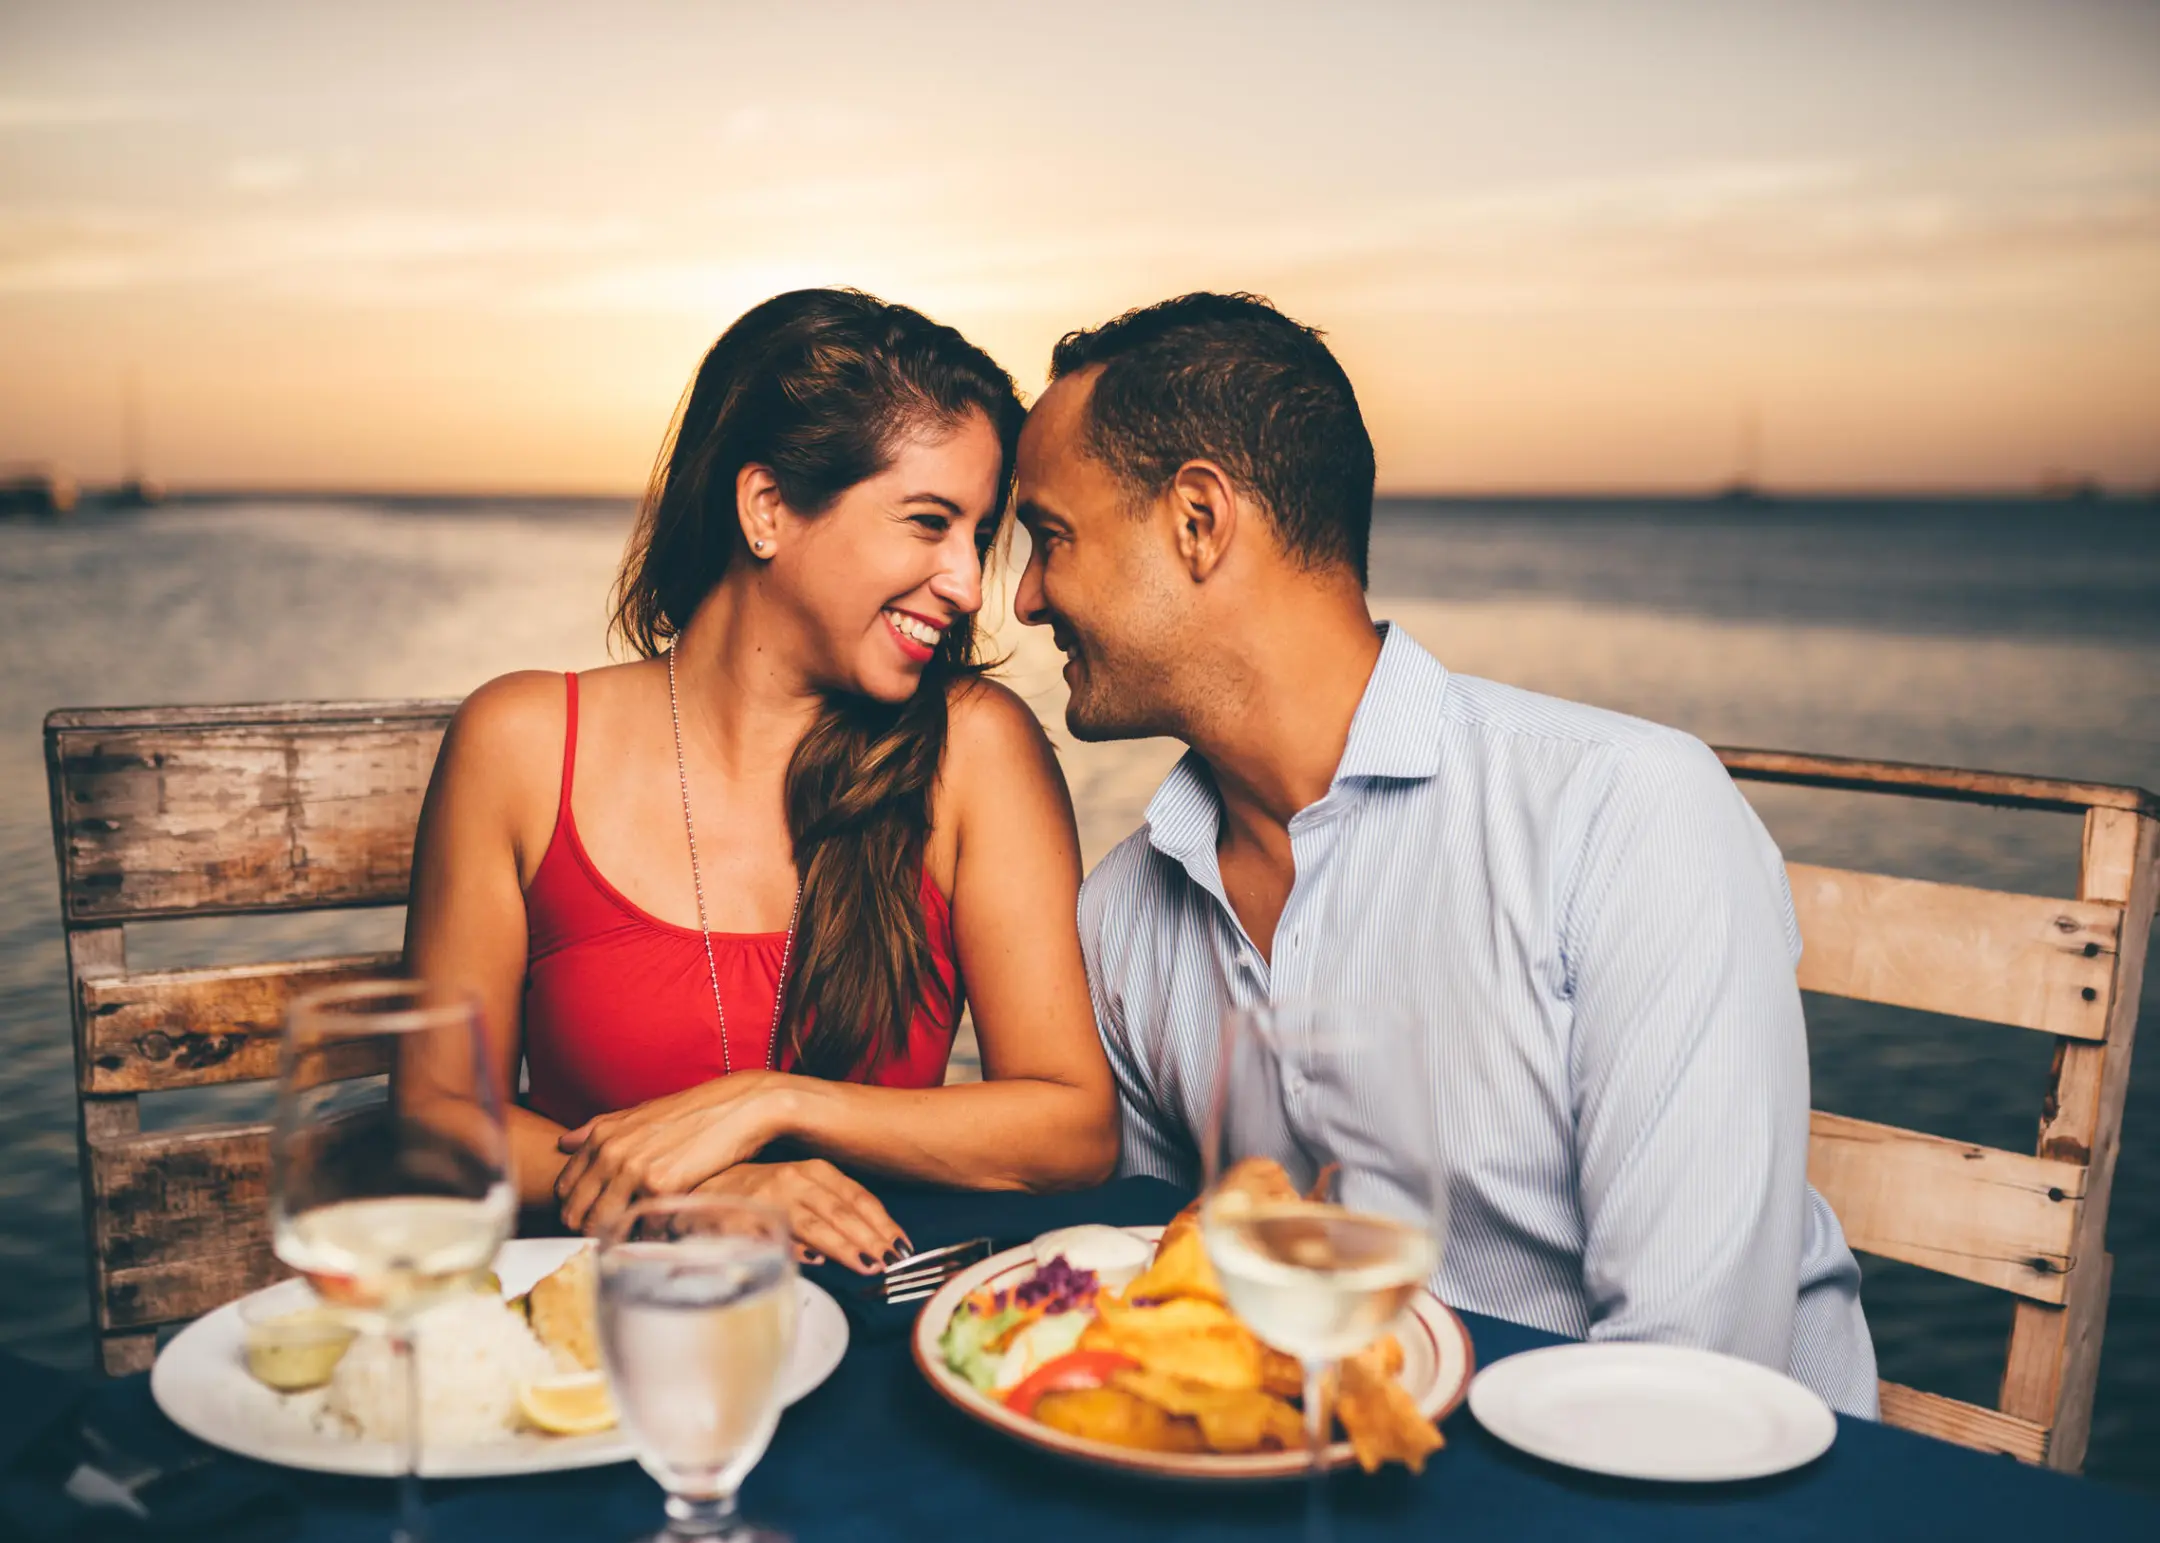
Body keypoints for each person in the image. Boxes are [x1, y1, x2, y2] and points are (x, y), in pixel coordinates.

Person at [1012, 292, 1878, 1414]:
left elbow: (1690, 1370)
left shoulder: (1619, 814)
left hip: (1697, 1516)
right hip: (1341, 1483)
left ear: (1198, 521)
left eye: (1049, 537)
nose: (1027, 598)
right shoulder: (1126, 909)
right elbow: (1170, 1299)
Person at [404, 288, 1117, 1272]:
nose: (966, 582)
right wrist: (707, 1190)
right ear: (768, 508)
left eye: (980, 534)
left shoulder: (976, 750)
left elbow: (1072, 1133)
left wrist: (772, 1104)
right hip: (595, 1335)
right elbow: (438, 1125)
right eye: (927, 522)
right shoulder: (520, 743)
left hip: (868, 1324)